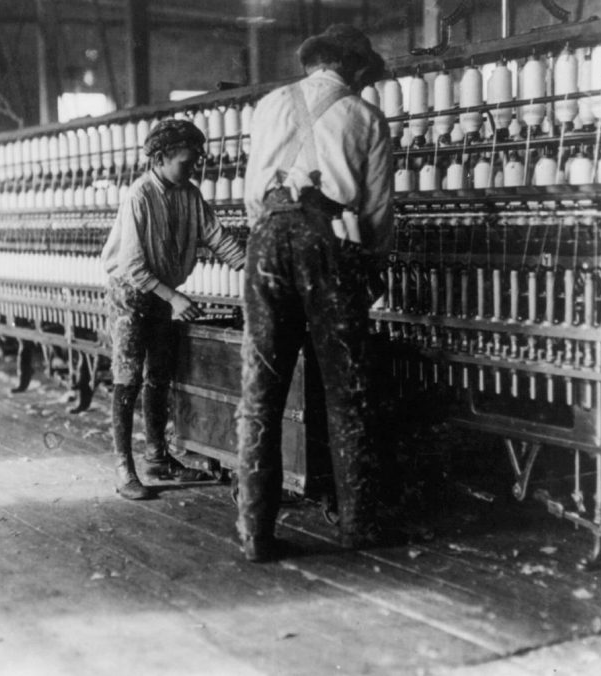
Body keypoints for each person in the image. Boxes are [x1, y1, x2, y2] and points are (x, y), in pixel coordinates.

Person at [236, 24, 393, 561]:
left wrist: (272, 236)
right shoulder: (366, 116)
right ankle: (358, 527)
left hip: (265, 239)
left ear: (312, 64)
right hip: (324, 244)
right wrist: (365, 269)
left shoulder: (269, 104)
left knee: (261, 391)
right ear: (353, 69)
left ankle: (254, 533)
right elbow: (374, 216)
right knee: (347, 392)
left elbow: (251, 191)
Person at [102, 119, 247, 500]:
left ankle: (158, 458)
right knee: (128, 378)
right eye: (187, 162)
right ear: (161, 158)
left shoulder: (189, 193)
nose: (193, 169)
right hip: (131, 295)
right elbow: (133, 267)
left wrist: (253, 270)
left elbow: (217, 237)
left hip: (164, 294)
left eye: (196, 162)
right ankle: (124, 468)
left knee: (160, 376)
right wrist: (174, 298)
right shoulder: (139, 196)